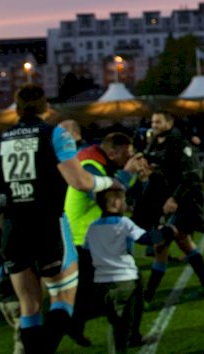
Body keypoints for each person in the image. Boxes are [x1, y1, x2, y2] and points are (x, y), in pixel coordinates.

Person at [0, 84, 128, 353]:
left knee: (29, 306)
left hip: (13, 227)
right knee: (63, 299)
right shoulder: (55, 134)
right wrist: (111, 181)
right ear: (47, 109)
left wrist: (8, 199)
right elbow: (80, 181)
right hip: (47, 224)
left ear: (17, 110)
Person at [63, 132, 147, 347]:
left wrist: (140, 175)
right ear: (112, 152)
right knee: (119, 291)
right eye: (126, 154)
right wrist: (128, 173)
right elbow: (109, 198)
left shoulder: (102, 164)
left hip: (98, 239)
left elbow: (123, 193)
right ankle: (69, 325)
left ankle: (75, 324)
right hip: (85, 240)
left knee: (122, 288)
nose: (128, 158)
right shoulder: (90, 165)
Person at [83, 188, 175, 354]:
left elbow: (86, 252)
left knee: (115, 319)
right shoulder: (124, 223)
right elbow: (146, 239)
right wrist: (166, 231)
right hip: (124, 280)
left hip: (101, 282)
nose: (126, 204)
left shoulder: (92, 227)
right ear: (116, 204)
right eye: (124, 201)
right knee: (121, 323)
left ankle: (131, 338)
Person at [137, 111, 204, 304]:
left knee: (161, 244)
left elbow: (191, 176)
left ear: (169, 123)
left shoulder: (180, 143)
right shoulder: (153, 144)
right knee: (183, 242)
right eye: (152, 121)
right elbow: (155, 169)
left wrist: (175, 199)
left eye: (158, 121)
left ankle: (147, 296)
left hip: (184, 200)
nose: (154, 124)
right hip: (164, 201)